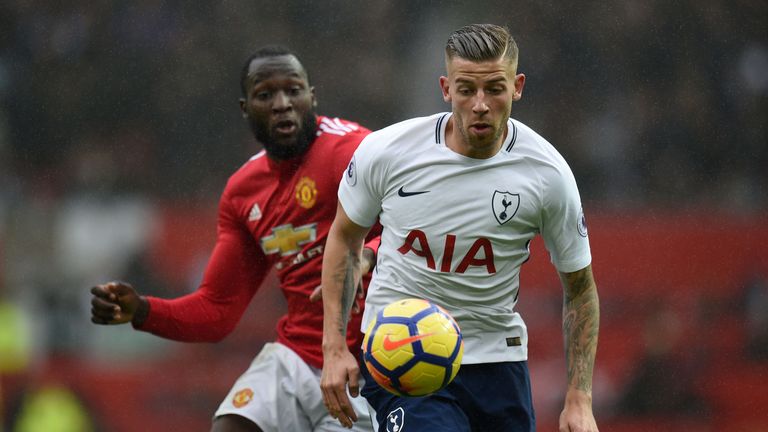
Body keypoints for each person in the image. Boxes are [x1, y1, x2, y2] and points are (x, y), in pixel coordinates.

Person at [320, 24, 600, 432]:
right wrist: (333, 349)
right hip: (402, 352)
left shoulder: (547, 174)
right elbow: (345, 237)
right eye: (467, 89)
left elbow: (580, 289)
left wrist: (579, 398)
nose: (481, 104)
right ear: (446, 89)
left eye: (495, 89)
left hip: (496, 361)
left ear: (517, 86)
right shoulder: (388, 151)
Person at [90, 45, 379, 432]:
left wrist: (370, 255)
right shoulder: (243, 193)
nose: (281, 104)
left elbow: (416, 225)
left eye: (293, 90)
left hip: (367, 360)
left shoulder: (355, 151)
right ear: (245, 108)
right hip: (295, 357)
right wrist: (142, 310)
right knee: (231, 426)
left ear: (313, 96)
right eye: (265, 95)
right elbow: (217, 311)